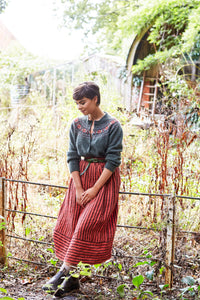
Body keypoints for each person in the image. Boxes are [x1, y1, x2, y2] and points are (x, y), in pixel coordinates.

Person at [42, 81, 123, 298]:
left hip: (104, 182)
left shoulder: (113, 125)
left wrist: (95, 190)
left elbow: (113, 160)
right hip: (80, 179)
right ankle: (73, 281)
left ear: (95, 98)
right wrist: (78, 188)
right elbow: (71, 156)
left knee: (86, 226)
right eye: (77, 103)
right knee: (71, 225)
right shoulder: (76, 124)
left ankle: (63, 272)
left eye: (83, 102)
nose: (80, 106)